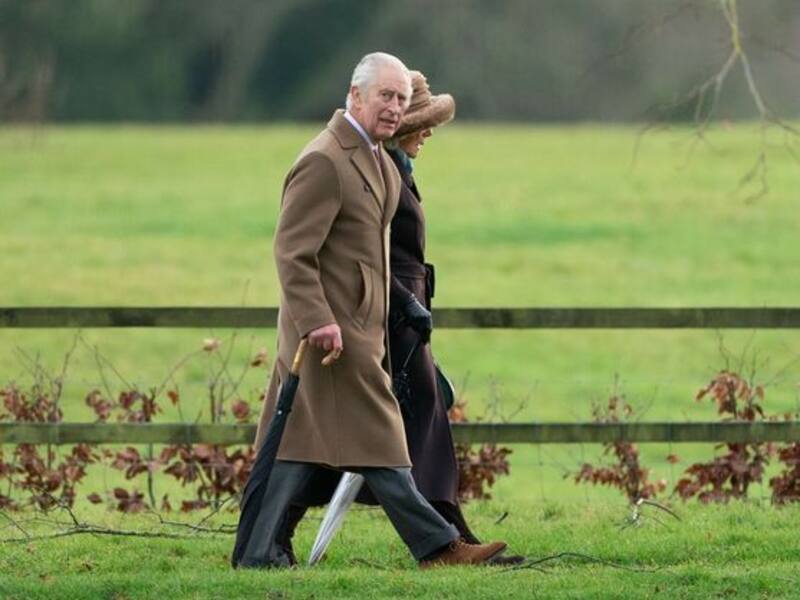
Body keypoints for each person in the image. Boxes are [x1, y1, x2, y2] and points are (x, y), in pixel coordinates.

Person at [235, 52, 507, 569]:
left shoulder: (377, 159)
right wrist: (317, 320)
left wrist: (400, 303)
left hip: (360, 330)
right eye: (386, 95)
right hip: (329, 336)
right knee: (382, 439)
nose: (395, 107)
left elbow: (372, 257)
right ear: (355, 95)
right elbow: (292, 252)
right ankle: (439, 546)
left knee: (296, 447)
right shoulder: (324, 160)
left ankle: (259, 550)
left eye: (401, 98)